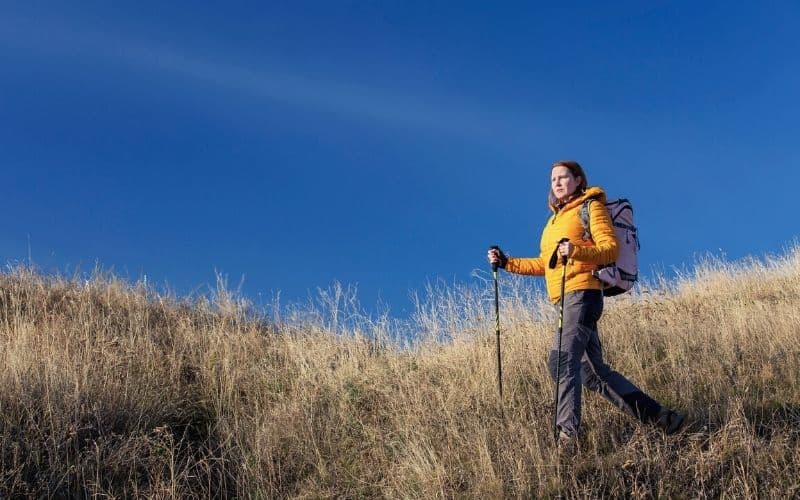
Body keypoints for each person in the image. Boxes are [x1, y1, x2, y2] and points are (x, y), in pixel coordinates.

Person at [487, 160, 684, 444]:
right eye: (552, 178)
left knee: (561, 362)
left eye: (563, 177)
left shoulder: (590, 206)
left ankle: (568, 439)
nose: (556, 182)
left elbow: (609, 249)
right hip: (565, 300)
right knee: (593, 373)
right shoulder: (554, 219)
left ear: (578, 180)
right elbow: (548, 263)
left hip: (583, 294)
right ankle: (663, 420)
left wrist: (576, 250)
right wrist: (507, 262)